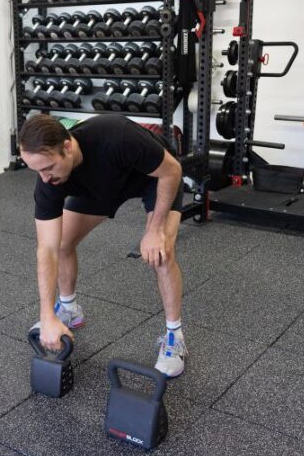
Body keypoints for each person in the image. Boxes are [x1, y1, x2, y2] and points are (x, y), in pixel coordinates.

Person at [19, 113, 188, 377]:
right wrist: (46, 316)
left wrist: (154, 230)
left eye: (48, 167)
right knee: (62, 243)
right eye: (37, 170)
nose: (44, 178)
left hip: (154, 179)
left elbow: (172, 170)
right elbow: (47, 249)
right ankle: (67, 309)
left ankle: (174, 338)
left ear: (67, 146)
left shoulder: (116, 134)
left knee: (161, 253)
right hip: (100, 187)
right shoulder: (49, 181)